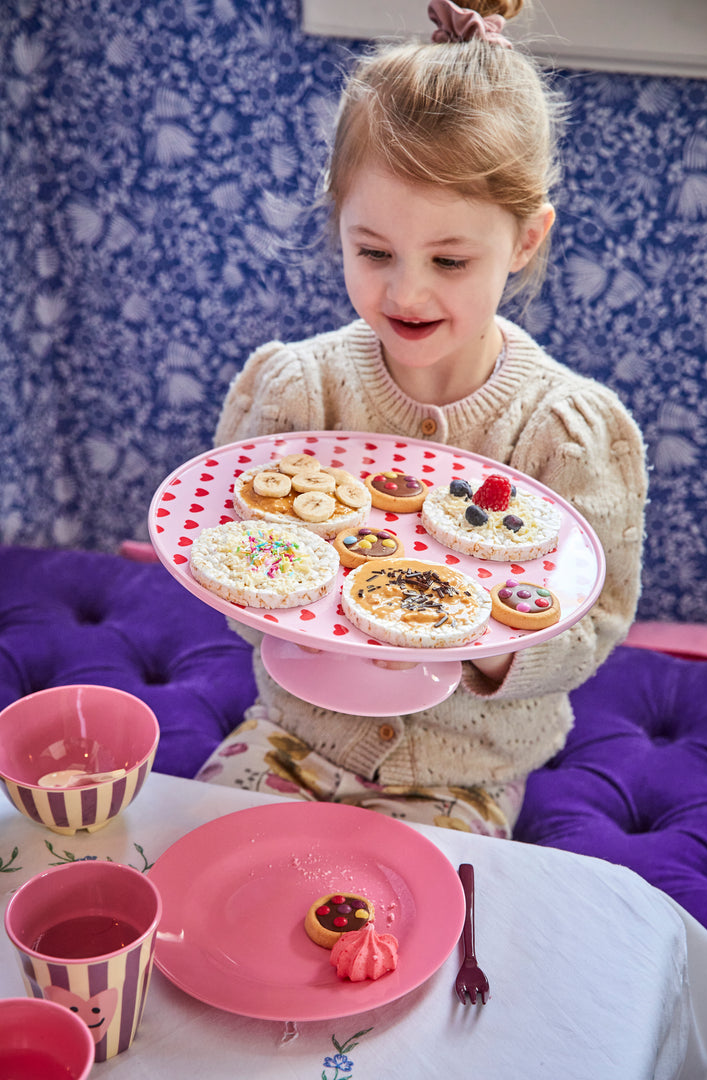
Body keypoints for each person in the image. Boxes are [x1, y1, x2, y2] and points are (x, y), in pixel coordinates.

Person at [195, 0, 647, 836]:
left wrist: (491, 639)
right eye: (373, 252)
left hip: (464, 772)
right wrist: (281, 591)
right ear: (338, 225)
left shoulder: (567, 430)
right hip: (293, 734)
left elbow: (599, 620)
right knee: (212, 876)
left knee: (412, 945)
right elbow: (218, 558)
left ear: (525, 240)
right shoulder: (297, 390)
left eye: (449, 259)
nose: (406, 292)